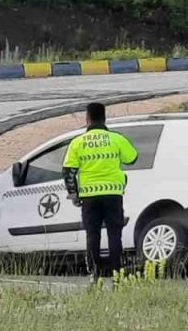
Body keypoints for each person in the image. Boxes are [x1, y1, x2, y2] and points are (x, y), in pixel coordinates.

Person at [63, 102, 138, 283]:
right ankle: (117, 276)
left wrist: (74, 195)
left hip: (89, 197)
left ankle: (94, 276)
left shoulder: (77, 143)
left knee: (92, 235)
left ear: (87, 119)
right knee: (114, 234)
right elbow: (132, 158)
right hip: (113, 195)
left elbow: (68, 172)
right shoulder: (116, 139)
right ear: (105, 118)